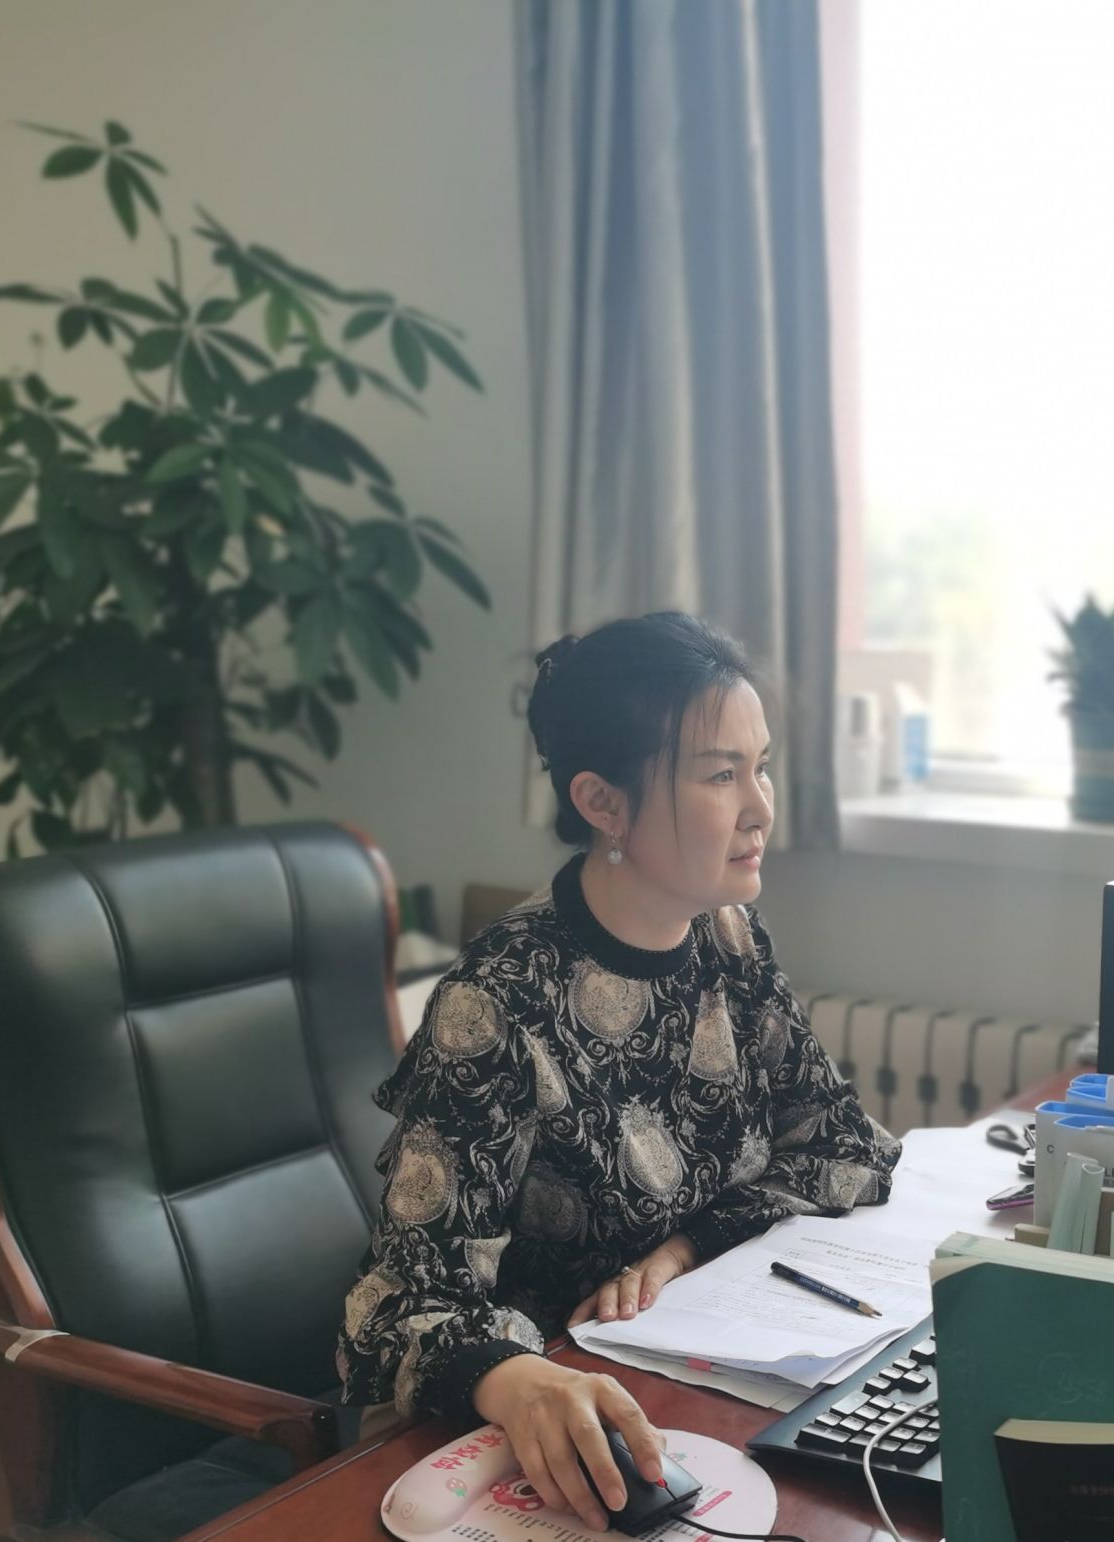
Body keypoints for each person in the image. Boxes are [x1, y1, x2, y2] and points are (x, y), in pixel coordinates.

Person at [337, 612, 899, 1532]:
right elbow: (398, 1306)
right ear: (603, 804)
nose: (761, 807)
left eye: (760, 766)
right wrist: (517, 1378)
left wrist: (681, 1250)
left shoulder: (728, 938)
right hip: (537, 1432)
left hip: (678, 1385)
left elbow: (843, 1145)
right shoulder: (497, 1003)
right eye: (720, 775)